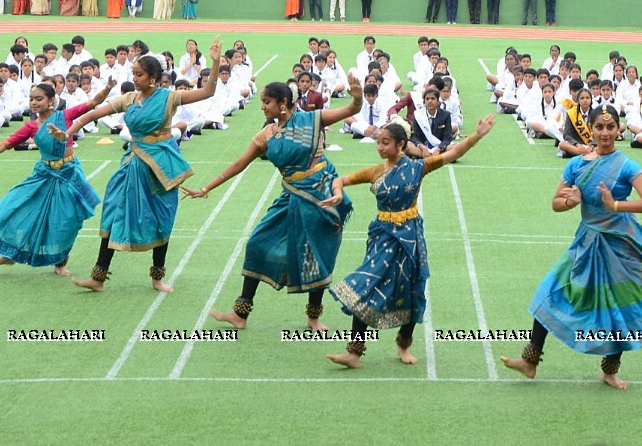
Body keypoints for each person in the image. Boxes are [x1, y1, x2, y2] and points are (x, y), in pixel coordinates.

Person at [500, 106, 642, 389]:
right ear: (591, 129)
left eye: (611, 127)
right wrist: (571, 202)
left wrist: (616, 205)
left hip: (621, 246)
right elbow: (555, 203)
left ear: (619, 129)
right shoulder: (576, 165)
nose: (606, 133)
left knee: (618, 308)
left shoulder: (627, 165)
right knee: (549, 292)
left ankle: (610, 370)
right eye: (599, 127)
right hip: (586, 244)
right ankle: (530, 360)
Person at [185, 77, 362, 331]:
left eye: (266, 102)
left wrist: (356, 97)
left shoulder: (313, 120)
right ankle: (240, 313)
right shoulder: (266, 134)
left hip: (322, 195)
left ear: (283, 103)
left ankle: (313, 317)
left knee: (317, 253)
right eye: (262, 102)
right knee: (257, 243)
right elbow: (239, 164)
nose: (263, 107)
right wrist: (205, 188)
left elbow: (352, 110)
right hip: (290, 196)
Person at [326, 115, 496, 368]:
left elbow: (452, 153)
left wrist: (478, 135)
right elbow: (339, 180)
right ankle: (354, 352)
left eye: (386, 143)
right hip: (382, 236)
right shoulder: (375, 172)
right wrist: (338, 194)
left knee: (412, 286)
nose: (380, 147)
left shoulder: (418, 168)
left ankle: (404, 344)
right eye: (379, 142)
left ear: (401, 145)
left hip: (410, 236)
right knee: (367, 284)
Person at [58, 37, 223, 293]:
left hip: (160, 166)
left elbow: (207, 92)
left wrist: (213, 63)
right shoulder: (128, 98)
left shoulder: (169, 98)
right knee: (113, 212)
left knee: (161, 217)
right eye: (134, 73)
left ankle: (157, 277)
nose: (135, 78)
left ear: (153, 78)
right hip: (133, 163)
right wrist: (70, 131)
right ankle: (98, 276)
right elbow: (94, 113)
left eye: (140, 74)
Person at [0, 81, 112, 273]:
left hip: (69, 174)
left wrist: (108, 88)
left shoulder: (64, 116)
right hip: (44, 174)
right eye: (31, 99)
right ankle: (10, 254)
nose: (34, 103)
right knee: (14, 208)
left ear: (51, 100)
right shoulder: (31, 127)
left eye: (39, 99)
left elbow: (93, 103)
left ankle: (60, 262)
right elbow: (4, 145)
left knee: (66, 221)